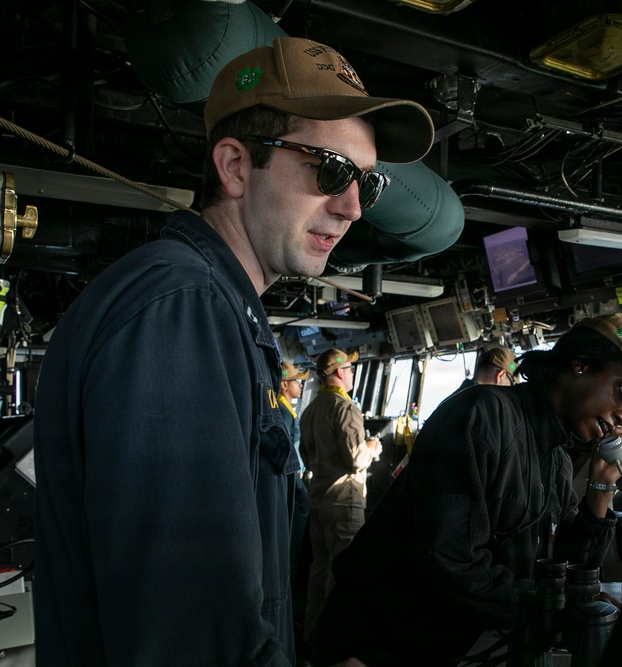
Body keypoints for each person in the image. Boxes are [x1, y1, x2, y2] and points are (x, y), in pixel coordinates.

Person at [32, 36, 433, 666]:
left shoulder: (208, 305)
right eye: (330, 170)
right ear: (236, 167)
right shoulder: (180, 307)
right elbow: (189, 632)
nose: (353, 207)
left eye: (367, 182)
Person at [309, 312, 622, 666]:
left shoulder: (557, 459)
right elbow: (448, 559)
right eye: (621, 391)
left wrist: (601, 488)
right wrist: (555, 609)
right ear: (580, 364)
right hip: (376, 648)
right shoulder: (480, 415)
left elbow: (564, 569)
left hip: (452, 645)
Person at [298, 348, 383, 642]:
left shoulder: (310, 410)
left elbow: (305, 456)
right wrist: (371, 448)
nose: (352, 374)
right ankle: (336, 641)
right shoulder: (344, 407)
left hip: (318, 499)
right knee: (344, 572)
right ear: (339, 372)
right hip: (344, 500)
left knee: (319, 570)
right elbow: (356, 459)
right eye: (350, 369)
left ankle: (312, 636)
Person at [278, 361, 310, 584]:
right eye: (295, 381)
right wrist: (296, 482)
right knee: (294, 528)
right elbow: (286, 448)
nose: (300, 385)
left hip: (293, 477)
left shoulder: (287, 410)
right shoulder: (282, 412)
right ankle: (289, 579)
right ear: (283, 384)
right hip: (291, 479)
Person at [455, 345, 519, 392]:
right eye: (510, 386)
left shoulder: (458, 395)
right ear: (500, 375)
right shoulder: (486, 403)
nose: (508, 393)